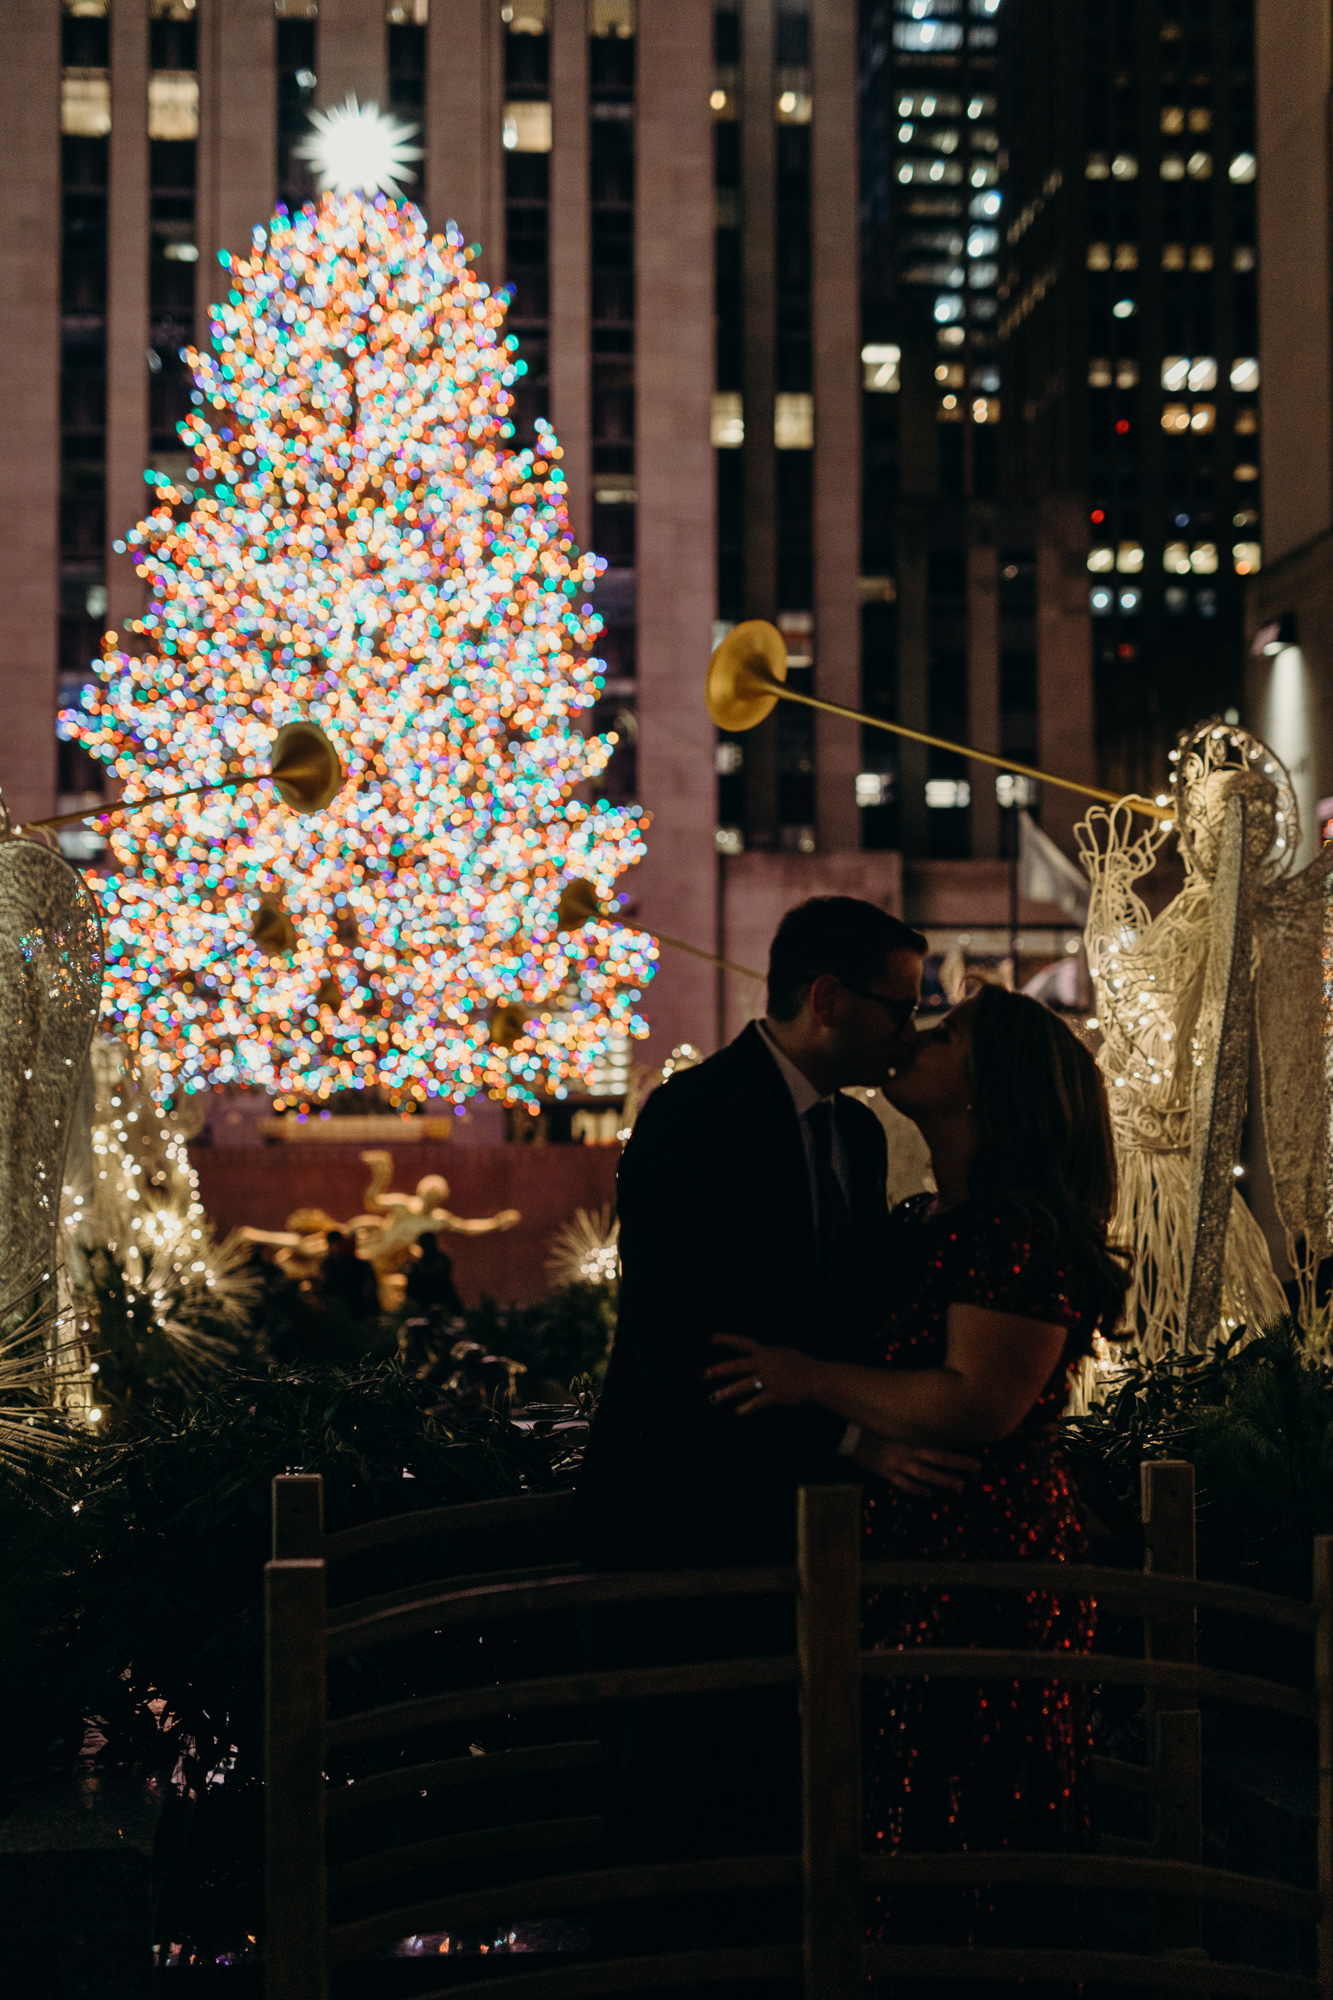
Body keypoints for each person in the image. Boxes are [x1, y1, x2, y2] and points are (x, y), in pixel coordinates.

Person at [574, 896, 977, 1987]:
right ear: (827, 998)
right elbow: (690, 1343)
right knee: (663, 1814)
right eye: (902, 1005)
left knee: (769, 1806)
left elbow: (826, 1323)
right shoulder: (691, 1116)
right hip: (680, 1512)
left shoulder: (854, 1131)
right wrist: (856, 1438)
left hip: (792, 1528)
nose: (912, 1027)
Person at [706, 983, 1132, 1959]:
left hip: (981, 1556)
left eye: (939, 1034)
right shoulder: (919, 1218)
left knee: (970, 1806)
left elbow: (977, 1399)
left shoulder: (1015, 1229)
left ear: (987, 1086)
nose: (911, 1037)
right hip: (905, 1553)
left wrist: (810, 1378)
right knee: (898, 1801)